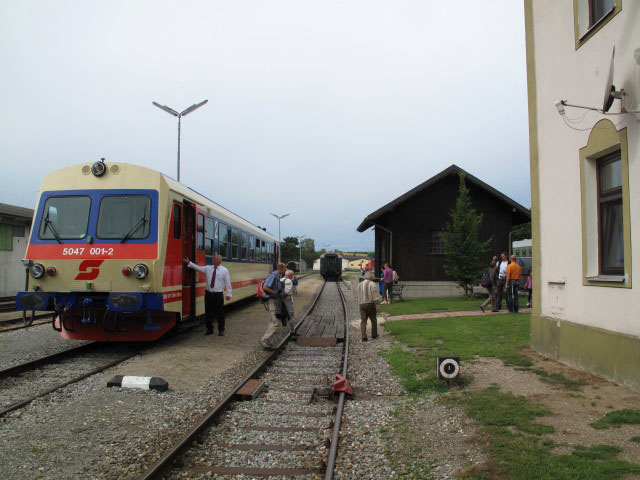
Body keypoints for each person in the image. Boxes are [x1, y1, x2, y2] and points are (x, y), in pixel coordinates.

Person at [184, 254, 232, 336]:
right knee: (208, 313)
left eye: (214, 259)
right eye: (213, 258)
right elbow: (198, 268)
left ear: (219, 260)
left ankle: (221, 330)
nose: (212, 260)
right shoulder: (208, 268)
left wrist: (229, 294)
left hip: (218, 295)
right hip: (208, 294)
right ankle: (209, 329)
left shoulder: (224, 270)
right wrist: (189, 262)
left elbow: (228, 283)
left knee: (219, 313)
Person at [260, 262, 287, 350]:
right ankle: (264, 340)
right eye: (284, 269)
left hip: (275, 301)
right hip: (272, 301)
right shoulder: (273, 276)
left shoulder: (278, 276)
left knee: (272, 321)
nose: (285, 270)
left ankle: (267, 341)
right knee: (275, 322)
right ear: (280, 268)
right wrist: (275, 293)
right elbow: (265, 287)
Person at [357, 271, 382, 341]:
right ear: (371, 277)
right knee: (373, 319)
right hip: (370, 304)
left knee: (363, 321)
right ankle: (374, 334)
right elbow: (374, 295)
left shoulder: (359, 284)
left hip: (361, 304)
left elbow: (357, 293)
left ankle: (364, 337)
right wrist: (377, 304)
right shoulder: (372, 284)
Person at [280, 270, 298, 336]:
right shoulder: (289, 281)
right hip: (287, 300)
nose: (292, 277)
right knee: (291, 315)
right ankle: (293, 332)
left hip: (280, 300)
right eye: (292, 275)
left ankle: (285, 326)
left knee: (281, 313)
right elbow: (287, 292)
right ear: (290, 275)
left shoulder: (281, 279)